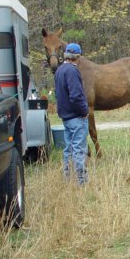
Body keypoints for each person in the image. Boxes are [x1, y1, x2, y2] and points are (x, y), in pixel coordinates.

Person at [54, 42, 89, 185]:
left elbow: (59, 93)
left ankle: (67, 178)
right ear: (78, 56)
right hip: (76, 117)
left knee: (68, 149)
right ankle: (81, 182)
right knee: (79, 149)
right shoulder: (73, 71)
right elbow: (76, 96)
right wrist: (84, 111)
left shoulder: (60, 70)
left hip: (65, 117)